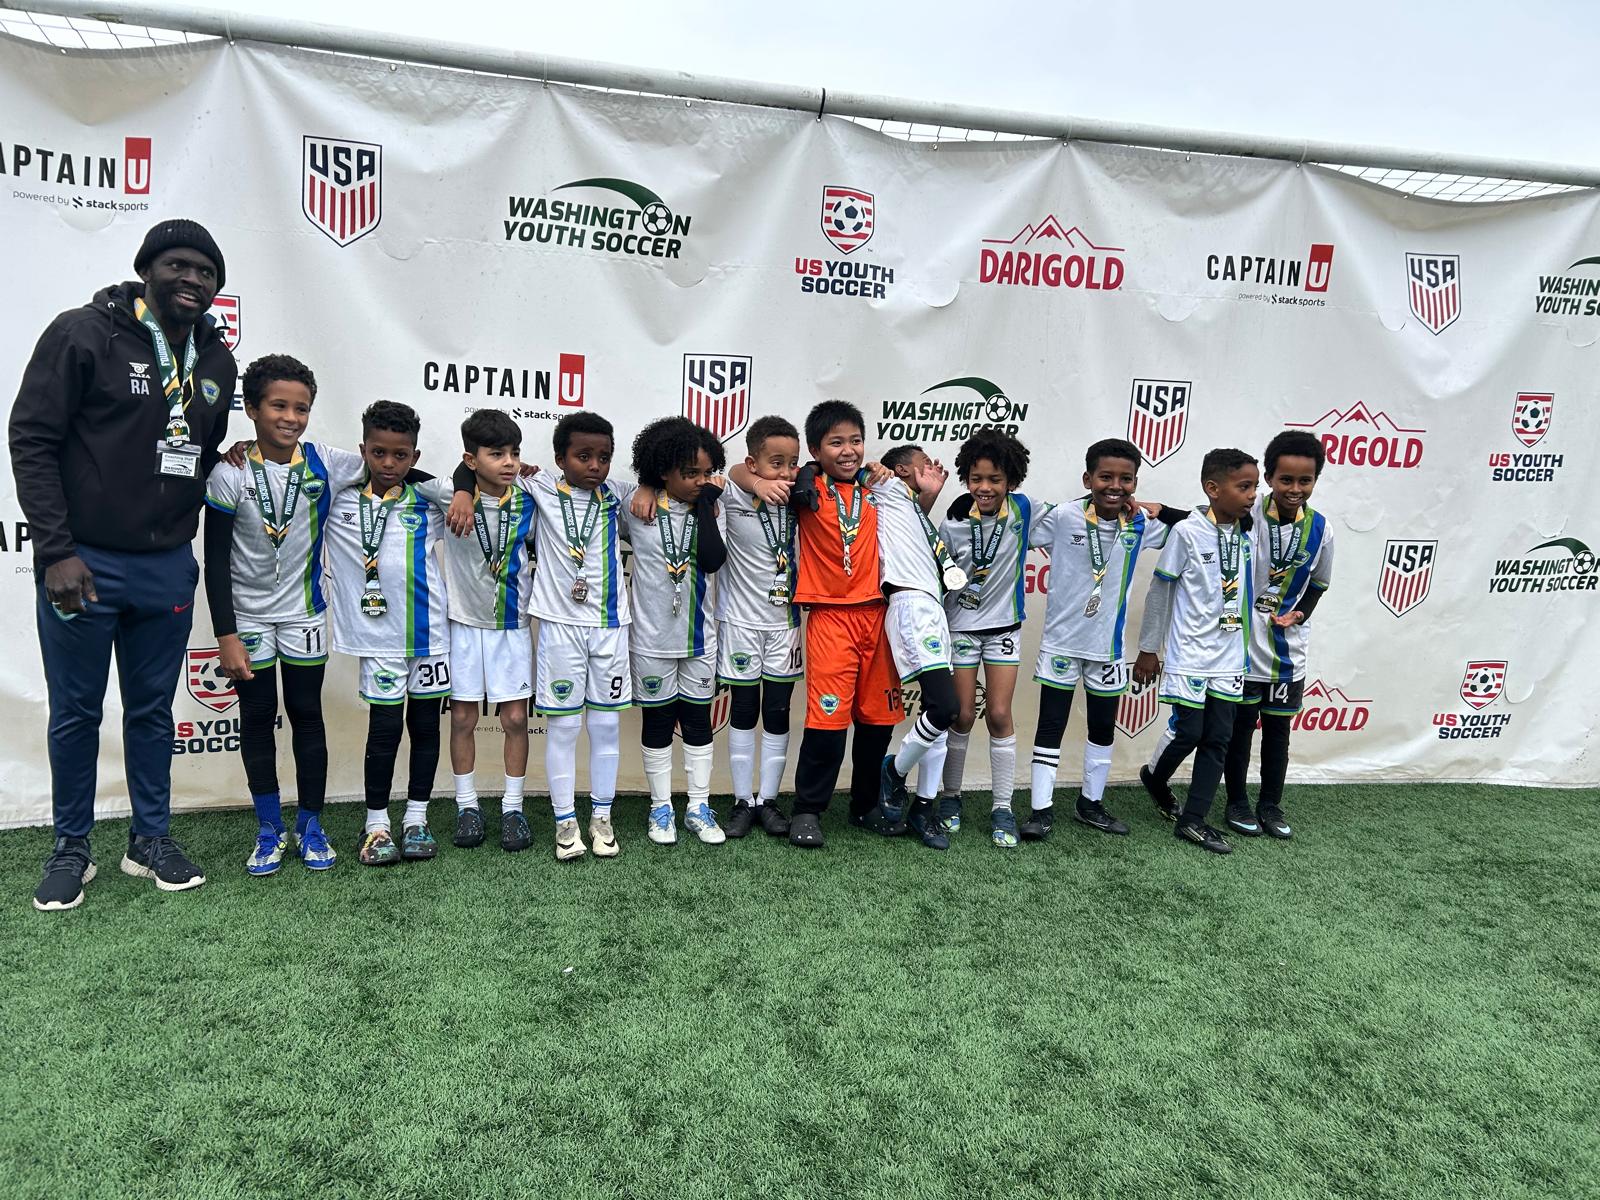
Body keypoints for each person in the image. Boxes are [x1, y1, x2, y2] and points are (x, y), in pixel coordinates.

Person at [11, 219, 235, 909]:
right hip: (85, 563)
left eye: (206, 272)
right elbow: (32, 438)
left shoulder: (215, 360)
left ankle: (150, 839)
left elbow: (199, 453)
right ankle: (70, 848)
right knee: (77, 712)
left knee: (153, 712)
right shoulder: (84, 333)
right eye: (178, 265)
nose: (192, 279)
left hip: (165, 565)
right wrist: (56, 550)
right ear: (147, 270)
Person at [203, 353, 364, 876]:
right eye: (278, 406)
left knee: (306, 715)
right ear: (251, 409)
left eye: (302, 408)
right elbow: (214, 561)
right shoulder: (229, 473)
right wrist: (225, 634)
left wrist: (462, 484)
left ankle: (311, 826)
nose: (291, 418)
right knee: (256, 718)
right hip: (248, 619)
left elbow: (395, 464)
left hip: (304, 615)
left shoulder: (326, 462)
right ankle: (268, 828)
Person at [732, 401, 903, 849]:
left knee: (877, 720)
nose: (848, 451)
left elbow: (910, 527)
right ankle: (808, 809)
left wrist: (907, 484)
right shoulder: (804, 486)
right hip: (829, 617)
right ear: (815, 450)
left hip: (877, 615)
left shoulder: (876, 488)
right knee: (827, 720)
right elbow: (738, 471)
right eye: (836, 442)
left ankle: (865, 805)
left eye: (856, 441)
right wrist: (759, 480)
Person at [472, 411, 629, 862]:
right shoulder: (537, 486)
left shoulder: (619, 495)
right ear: (560, 458)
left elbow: (662, 488)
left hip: (610, 626)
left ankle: (602, 817)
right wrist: (464, 491)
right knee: (563, 726)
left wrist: (648, 490)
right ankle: (565, 821)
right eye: (583, 456)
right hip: (560, 627)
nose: (595, 465)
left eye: (603, 457)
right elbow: (476, 473)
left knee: (605, 726)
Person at [1019, 438, 1176, 843]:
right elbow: (1017, 526)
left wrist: (1161, 508)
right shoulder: (1064, 516)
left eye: (1126, 479)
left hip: (1108, 648)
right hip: (1061, 644)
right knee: (1050, 726)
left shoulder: (1141, 523)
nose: (1116, 486)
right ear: (1088, 479)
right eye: (1106, 477)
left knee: (1103, 728)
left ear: (1136, 482)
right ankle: (1040, 810)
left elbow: (1195, 523)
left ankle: (1090, 804)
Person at [323, 400, 454, 867]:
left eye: (401, 455)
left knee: (425, 728)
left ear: (414, 457)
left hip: (430, 635)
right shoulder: (336, 499)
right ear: (363, 450)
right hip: (378, 641)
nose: (389, 463)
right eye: (378, 452)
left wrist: (445, 486)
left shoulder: (428, 501)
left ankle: (416, 819)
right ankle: (376, 824)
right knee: (383, 731)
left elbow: (473, 489)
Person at [1135, 448, 1259, 855]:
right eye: (1244, 487)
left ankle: (1193, 820)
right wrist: (1149, 649)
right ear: (1213, 488)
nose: (1252, 495)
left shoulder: (1249, 533)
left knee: (1219, 738)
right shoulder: (1187, 533)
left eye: (1255, 487)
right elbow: (1160, 591)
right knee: (1189, 731)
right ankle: (1154, 778)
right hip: (1189, 653)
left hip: (1230, 656)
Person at [937, 428, 1051, 848]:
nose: (985, 487)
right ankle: (950, 797)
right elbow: (940, 575)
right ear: (966, 478)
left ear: (1012, 481)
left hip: (1004, 629)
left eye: (995, 479)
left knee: (1000, 714)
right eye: (976, 479)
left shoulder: (1025, 509)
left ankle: (1002, 806)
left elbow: (1078, 514)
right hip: (961, 628)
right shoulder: (953, 521)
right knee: (962, 715)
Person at [1221, 430, 1334, 840]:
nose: (1295, 489)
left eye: (1305, 480)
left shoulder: (1321, 529)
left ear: (1315, 481)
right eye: (1286, 479)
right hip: (1241, 646)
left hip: (1288, 651)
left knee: (1278, 733)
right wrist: (1160, 510)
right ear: (1269, 478)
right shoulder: (1246, 513)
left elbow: (1319, 584)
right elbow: (1198, 521)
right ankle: (1236, 801)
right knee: (1239, 732)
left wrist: (1300, 614)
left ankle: (1270, 804)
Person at [620, 417, 728, 845]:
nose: (701, 480)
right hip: (650, 640)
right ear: (663, 471)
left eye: (707, 472)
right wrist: (645, 487)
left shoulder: (713, 506)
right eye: (690, 473)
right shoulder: (635, 504)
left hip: (699, 638)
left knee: (698, 720)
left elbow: (713, 560)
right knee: (658, 721)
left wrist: (705, 503)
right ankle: (660, 807)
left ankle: (698, 806)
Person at [440, 409, 539, 854]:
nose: (509, 462)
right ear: (471, 459)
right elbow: (406, 473)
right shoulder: (447, 495)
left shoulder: (531, 498)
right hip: (462, 625)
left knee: (515, 719)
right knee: (463, 718)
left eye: (514, 453)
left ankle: (513, 808)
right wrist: (463, 489)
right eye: (496, 454)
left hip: (511, 626)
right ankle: (467, 805)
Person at [713, 416, 801, 838]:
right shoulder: (733, 492)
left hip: (785, 624)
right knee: (744, 711)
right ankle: (741, 800)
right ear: (753, 463)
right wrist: (754, 483)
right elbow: (730, 472)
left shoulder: (802, 494)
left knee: (778, 711)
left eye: (792, 463)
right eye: (775, 463)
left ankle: (768, 800)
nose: (785, 472)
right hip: (740, 623)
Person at [872, 444, 962, 850]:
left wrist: (929, 495)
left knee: (936, 717)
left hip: (934, 608)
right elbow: (855, 471)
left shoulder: (912, 507)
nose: (933, 467)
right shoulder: (887, 487)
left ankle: (923, 810)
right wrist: (875, 469)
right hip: (910, 604)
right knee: (945, 707)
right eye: (924, 463)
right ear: (902, 469)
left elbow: (911, 527)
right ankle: (894, 770)